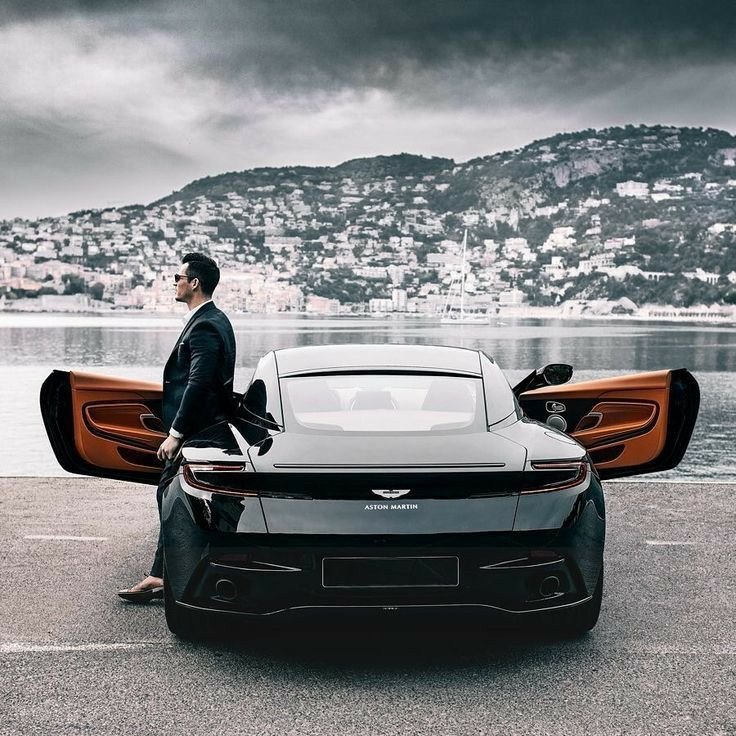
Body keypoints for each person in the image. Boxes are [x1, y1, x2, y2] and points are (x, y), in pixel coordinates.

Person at [118, 253, 236, 602]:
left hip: (198, 432)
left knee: (172, 500)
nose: (174, 283)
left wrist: (176, 434)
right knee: (173, 498)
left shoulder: (205, 326)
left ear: (194, 283)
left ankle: (167, 576)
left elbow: (198, 383)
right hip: (206, 428)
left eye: (177, 277)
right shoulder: (213, 320)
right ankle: (164, 573)